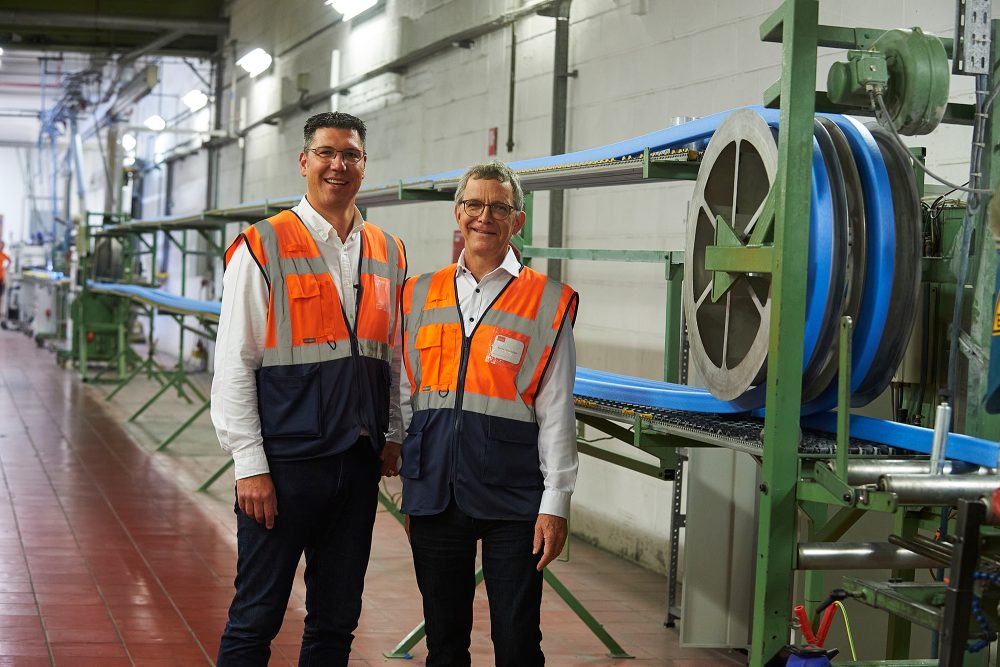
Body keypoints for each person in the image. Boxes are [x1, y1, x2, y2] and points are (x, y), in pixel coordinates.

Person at [211, 111, 407, 666]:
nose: (337, 164)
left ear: (364, 166)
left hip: (357, 460)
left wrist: (392, 432)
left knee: (336, 620)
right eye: (326, 152)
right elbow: (234, 362)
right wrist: (248, 463)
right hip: (283, 465)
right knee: (256, 618)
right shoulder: (262, 246)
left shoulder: (389, 251)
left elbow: (390, 353)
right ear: (304, 162)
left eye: (350, 154)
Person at [399, 160, 579, 666]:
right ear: (458, 214)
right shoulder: (416, 294)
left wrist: (556, 501)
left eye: (499, 207)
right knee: (444, 642)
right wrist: (409, 481)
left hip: (515, 497)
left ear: (517, 222)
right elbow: (403, 395)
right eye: (474, 205)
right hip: (435, 491)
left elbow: (558, 407)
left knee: (518, 643)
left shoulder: (547, 300)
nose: (485, 216)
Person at [0, 240, 9, 315]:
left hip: (1, 279)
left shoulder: (4, 256)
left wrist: (6, 270)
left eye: (1, 245)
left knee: (0, 296)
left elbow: (9, 261)